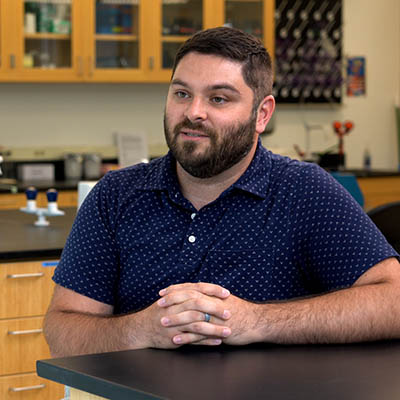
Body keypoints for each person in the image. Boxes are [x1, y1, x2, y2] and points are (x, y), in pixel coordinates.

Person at [44, 27, 400, 357]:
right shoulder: (115, 196)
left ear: (262, 114)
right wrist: (142, 330)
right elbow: (61, 331)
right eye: (182, 93)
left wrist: (255, 321)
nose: (193, 113)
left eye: (219, 98)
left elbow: (393, 301)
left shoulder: (304, 192)